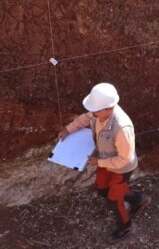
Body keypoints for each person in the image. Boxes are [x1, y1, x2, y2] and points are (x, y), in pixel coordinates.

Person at [57, 83, 151, 244]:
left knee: (114, 199)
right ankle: (137, 198)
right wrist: (68, 129)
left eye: (96, 111)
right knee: (102, 189)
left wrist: (99, 162)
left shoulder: (122, 128)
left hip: (122, 168)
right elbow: (85, 118)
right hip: (106, 161)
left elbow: (125, 159)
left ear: (109, 108)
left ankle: (125, 226)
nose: (92, 113)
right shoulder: (98, 113)